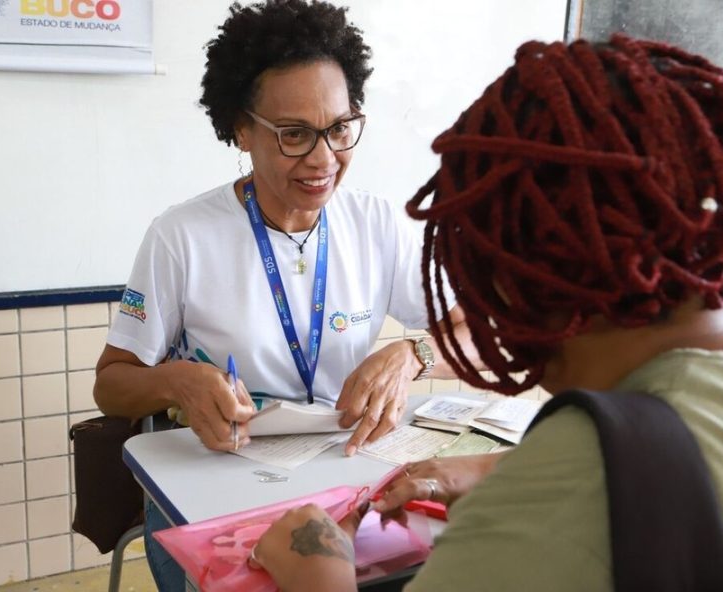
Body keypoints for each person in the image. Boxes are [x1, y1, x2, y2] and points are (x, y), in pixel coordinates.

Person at [249, 34, 723, 591]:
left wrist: (318, 573)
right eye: (294, 134)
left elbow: (583, 492)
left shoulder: (565, 493)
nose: (321, 155)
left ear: (506, 266)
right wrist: (491, 468)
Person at [93, 1, 475, 589]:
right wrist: (177, 381)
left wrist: (414, 355)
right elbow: (111, 384)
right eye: (294, 135)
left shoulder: (375, 223)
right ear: (240, 129)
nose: (323, 159)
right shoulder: (183, 236)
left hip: (349, 480)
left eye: (340, 129)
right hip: (220, 490)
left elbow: (479, 329)